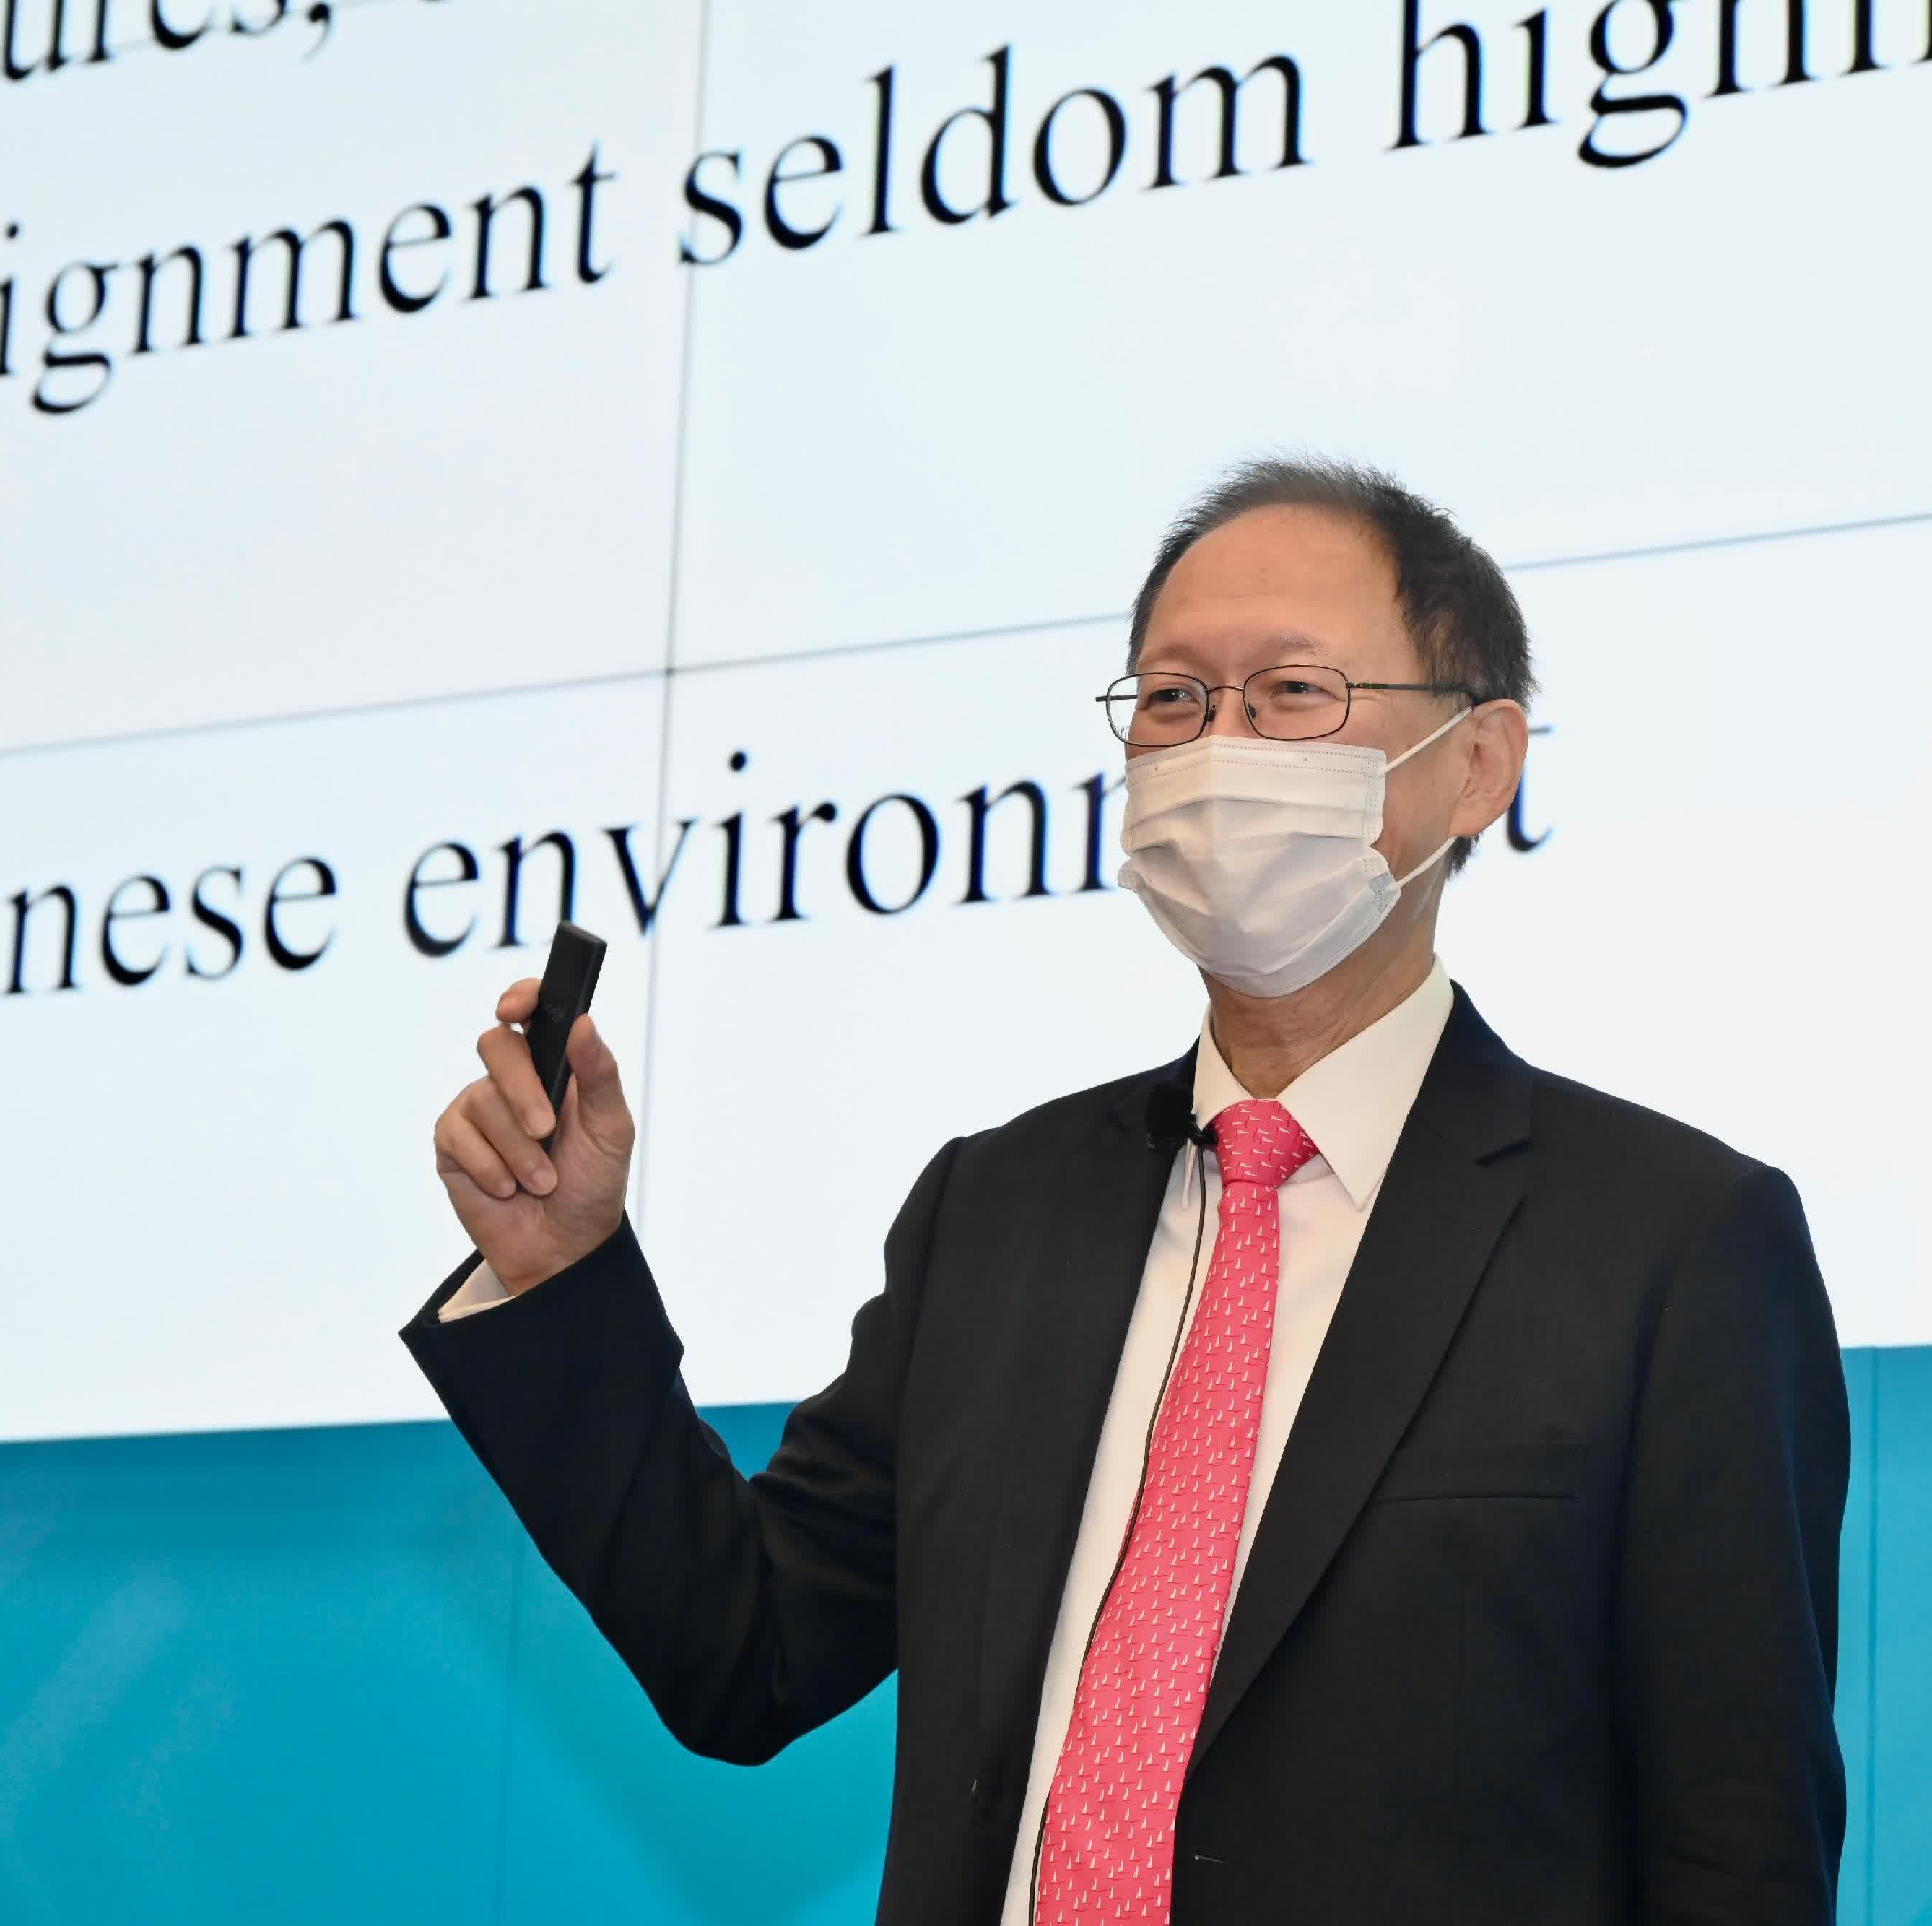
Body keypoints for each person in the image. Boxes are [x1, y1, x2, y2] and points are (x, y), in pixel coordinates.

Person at [402, 456, 1849, 1926]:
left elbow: (1735, 1852)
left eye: (1291, 693)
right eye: (1172, 699)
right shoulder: (997, 1211)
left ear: (1478, 763)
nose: (1219, 745)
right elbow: (746, 1650)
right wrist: (561, 1269)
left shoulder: (1670, 1245)